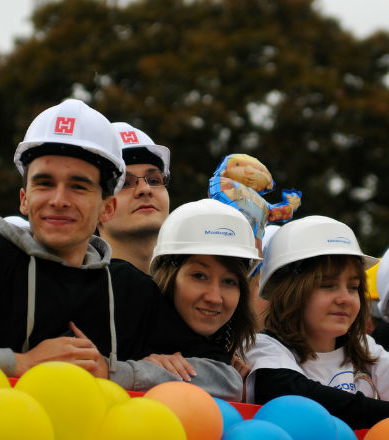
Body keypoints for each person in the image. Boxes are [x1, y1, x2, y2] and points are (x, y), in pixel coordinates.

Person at [0, 99, 225, 379]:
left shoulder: (130, 288)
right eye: (44, 183)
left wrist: (118, 371)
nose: (59, 199)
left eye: (78, 185)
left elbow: (224, 376)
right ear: (24, 198)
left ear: (107, 207)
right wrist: (20, 363)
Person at [245, 215, 389, 429]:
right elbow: (302, 400)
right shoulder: (262, 348)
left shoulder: (365, 347)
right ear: (290, 293)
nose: (344, 298)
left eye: (353, 287)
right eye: (328, 285)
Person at [108, 199, 260, 400]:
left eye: (229, 281)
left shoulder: (228, 363)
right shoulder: (120, 293)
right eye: (199, 276)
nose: (214, 297)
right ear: (169, 274)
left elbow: (226, 382)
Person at [97, 122, 170, 274]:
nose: (145, 189)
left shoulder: (189, 291)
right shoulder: (83, 292)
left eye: (154, 180)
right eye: (124, 183)